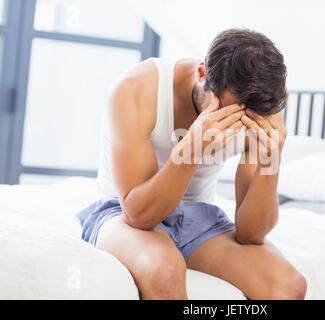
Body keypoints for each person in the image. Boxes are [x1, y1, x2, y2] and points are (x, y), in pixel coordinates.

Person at [77, 28, 307, 300]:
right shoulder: (137, 89)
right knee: (164, 270)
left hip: (199, 218)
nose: (237, 124)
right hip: (120, 211)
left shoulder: (261, 109)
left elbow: (251, 234)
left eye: (248, 116)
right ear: (202, 74)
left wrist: (271, 160)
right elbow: (138, 214)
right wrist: (191, 149)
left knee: (289, 286)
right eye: (229, 111)